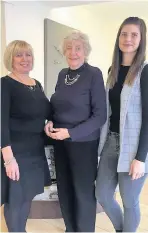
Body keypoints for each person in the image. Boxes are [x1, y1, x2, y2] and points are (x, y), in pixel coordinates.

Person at [44, 30, 107, 232]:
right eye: (69, 48)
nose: (73, 52)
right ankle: (71, 229)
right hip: (60, 142)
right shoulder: (63, 74)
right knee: (65, 189)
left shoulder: (94, 74)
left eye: (78, 48)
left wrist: (70, 133)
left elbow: (100, 116)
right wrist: (50, 121)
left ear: (85, 51)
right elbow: (57, 104)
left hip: (83, 143)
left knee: (83, 192)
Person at [95, 17, 148, 232]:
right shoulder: (112, 71)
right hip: (111, 143)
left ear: (141, 39)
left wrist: (140, 158)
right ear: (118, 37)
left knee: (129, 201)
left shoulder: (145, 72)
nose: (128, 39)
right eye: (124, 34)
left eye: (134, 35)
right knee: (103, 195)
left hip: (134, 148)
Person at [1, 40, 51, 232]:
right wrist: (8, 159)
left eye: (28, 54)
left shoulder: (35, 84)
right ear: (10, 59)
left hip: (35, 150)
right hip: (16, 151)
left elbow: (47, 110)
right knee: (15, 199)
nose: (25, 59)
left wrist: (51, 121)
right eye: (19, 55)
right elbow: (1, 122)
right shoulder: (5, 84)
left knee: (27, 196)